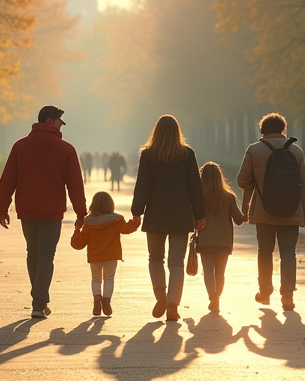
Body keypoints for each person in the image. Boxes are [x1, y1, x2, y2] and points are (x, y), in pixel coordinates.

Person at [0, 105, 87, 319]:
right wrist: (81, 213)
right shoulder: (66, 149)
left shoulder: (20, 146)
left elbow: (8, 179)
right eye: (58, 122)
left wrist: (3, 208)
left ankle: (38, 300)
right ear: (49, 121)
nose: (60, 126)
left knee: (33, 253)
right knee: (47, 255)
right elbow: (75, 184)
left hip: (27, 210)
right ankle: (39, 302)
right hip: (51, 211)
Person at [131, 115, 206, 322]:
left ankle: (160, 296)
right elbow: (195, 187)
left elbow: (143, 184)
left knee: (155, 258)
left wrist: (137, 211)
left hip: (155, 212)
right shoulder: (187, 154)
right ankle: (173, 304)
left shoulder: (148, 155)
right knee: (176, 263)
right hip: (180, 213)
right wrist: (199, 214)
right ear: (177, 132)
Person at [237, 112, 305, 312]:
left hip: (263, 211)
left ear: (263, 130)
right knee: (288, 252)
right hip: (291, 209)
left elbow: (242, 181)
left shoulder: (254, 150)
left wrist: (259, 183)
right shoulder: (296, 151)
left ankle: (265, 292)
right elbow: (303, 183)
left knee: (265, 251)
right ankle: (287, 296)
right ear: (283, 129)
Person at [70, 191, 141, 316]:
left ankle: (97, 299)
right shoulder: (117, 220)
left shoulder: (88, 222)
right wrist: (135, 221)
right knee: (109, 278)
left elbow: (79, 243)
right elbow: (126, 229)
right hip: (112, 255)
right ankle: (106, 300)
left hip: (94, 257)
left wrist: (77, 230)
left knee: (96, 279)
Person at [196, 162, 244, 313]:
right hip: (224, 242)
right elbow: (238, 219)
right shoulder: (229, 197)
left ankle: (213, 297)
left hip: (205, 240)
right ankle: (217, 298)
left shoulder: (199, 198)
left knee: (208, 272)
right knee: (220, 273)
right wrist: (247, 213)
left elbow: (193, 219)